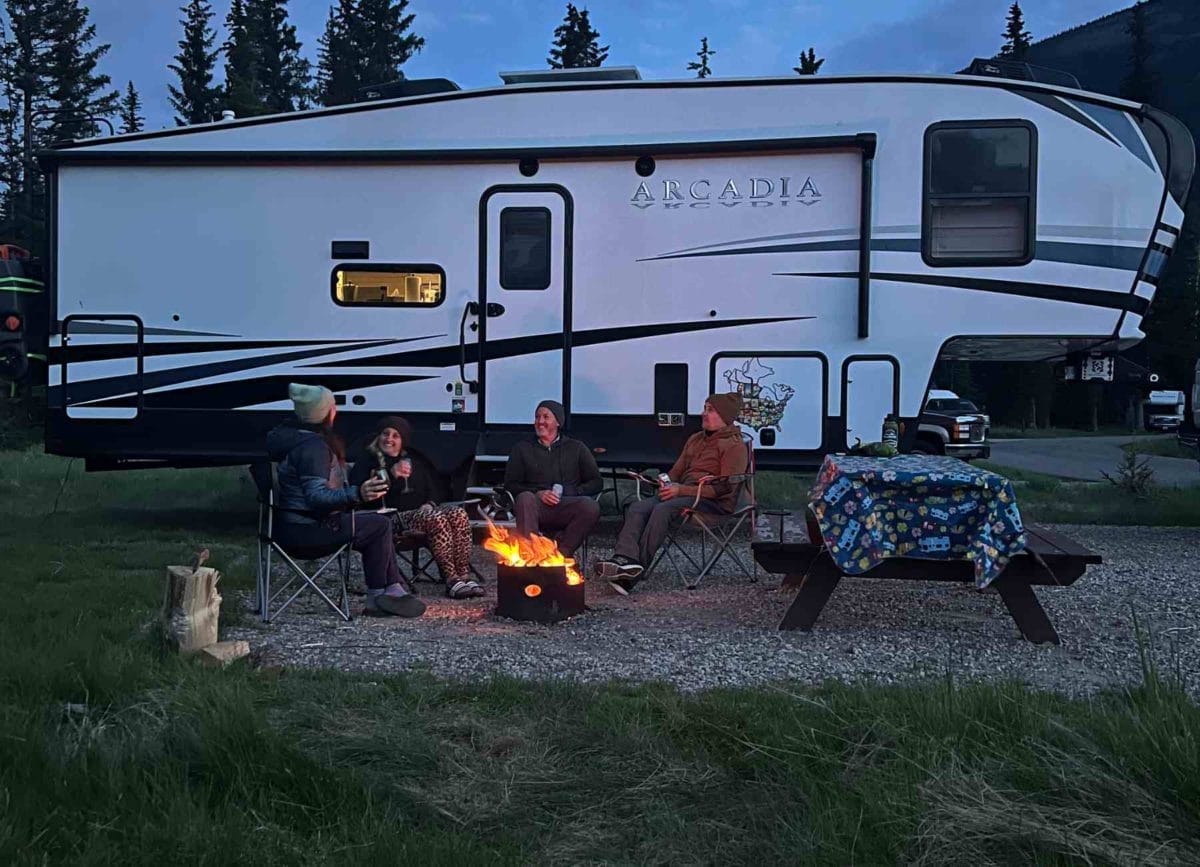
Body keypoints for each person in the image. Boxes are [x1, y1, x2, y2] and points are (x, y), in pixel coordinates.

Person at [265, 383, 426, 618]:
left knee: (376, 523)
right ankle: (381, 595)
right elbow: (317, 496)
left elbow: (320, 483)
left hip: (293, 525)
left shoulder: (298, 440)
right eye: (333, 407)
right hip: (306, 531)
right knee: (380, 525)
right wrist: (357, 494)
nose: (336, 412)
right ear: (325, 414)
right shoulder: (312, 449)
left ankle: (390, 590)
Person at [596, 393, 748, 595]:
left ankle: (630, 576)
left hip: (714, 503)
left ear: (725, 416)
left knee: (662, 509)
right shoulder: (696, 439)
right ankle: (624, 559)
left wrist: (681, 489)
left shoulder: (734, 446)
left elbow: (725, 489)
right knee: (638, 506)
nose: (703, 414)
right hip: (683, 494)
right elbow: (677, 471)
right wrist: (666, 480)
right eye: (704, 408)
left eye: (710, 410)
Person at [348, 415, 484, 600]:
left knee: (458, 513)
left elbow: (435, 489)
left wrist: (430, 503)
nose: (389, 439)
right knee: (435, 519)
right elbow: (365, 497)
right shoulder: (368, 461)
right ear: (378, 437)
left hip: (419, 516)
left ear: (402, 440)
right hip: (388, 520)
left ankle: (464, 576)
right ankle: (451, 579)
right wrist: (391, 474)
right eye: (385, 434)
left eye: (395, 435)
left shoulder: (414, 461)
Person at [503, 399, 602, 557]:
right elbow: (510, 485)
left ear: (558, 422)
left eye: (545, 417)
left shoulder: (576, 448)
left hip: (566, 503)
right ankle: (530, 556)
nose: (540, 421)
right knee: (525, 498)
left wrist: (574, 491)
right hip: (535, 507)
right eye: (537, 417)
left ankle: (559, 555)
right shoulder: (522, 448)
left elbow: (596, 482)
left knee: (590, 506)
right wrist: (538, 493)